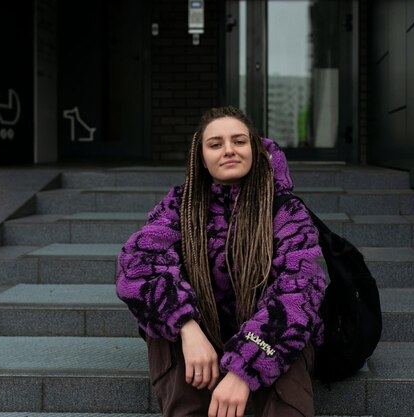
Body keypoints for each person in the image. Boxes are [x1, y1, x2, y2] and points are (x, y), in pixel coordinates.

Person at [116, 106, 327, 417]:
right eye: (215, 144)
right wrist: (187, 327)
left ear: (255, 149)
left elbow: (300, 291)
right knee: (163, 326)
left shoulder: (285, 209)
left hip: (266, 335)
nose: (228, 150)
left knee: (291, 336)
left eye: (239, 141)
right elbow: (138, 265)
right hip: (203, 330)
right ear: (201, 158)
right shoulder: (179, 204)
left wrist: (245, 368)